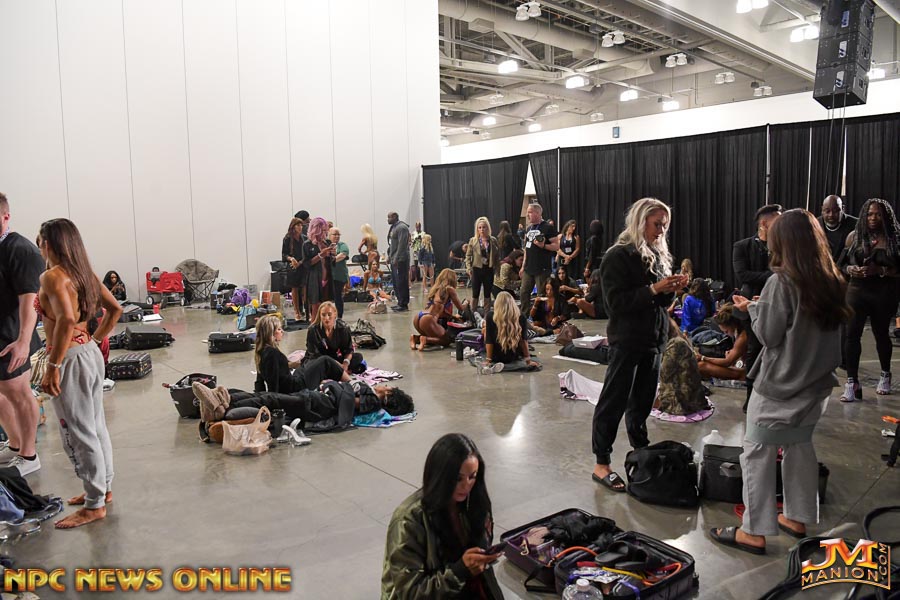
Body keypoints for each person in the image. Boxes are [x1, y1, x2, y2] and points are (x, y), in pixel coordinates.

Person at [710, 209, 850, 555]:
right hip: (816, 386)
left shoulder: (782, 282)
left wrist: (752, 310)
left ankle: (753, 531)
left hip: (780, 387)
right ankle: (796, 517)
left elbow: (770, 336)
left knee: (757, 453)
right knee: (799, 448)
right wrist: (761, 306)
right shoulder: (832, 280)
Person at [591, 198, 686, 492]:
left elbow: (660, 302)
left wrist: (671, 289)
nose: (661, 231)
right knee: (614, 400)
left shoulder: (656, 255)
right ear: (640, 221)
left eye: (665, 226)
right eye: (657, 224)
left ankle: (640, 450)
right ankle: (601, 463)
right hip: (627, 339)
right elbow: (615, 305)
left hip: (653, 339)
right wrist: (654, 289)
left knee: (642, 401)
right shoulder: (617, 256)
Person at [36, 218, 124, 529]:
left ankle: (94, 504)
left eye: (40, 240)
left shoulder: (52, 276)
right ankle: (102, 489)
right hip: (88, 353)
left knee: (78, 431)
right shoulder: (84, 273)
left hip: (70, 359)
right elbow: (115, 309)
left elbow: (65, 319)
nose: (38, 245)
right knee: (95, 426)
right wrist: (96, 340)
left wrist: (53, 366)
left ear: (49, 243)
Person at [382, 433, 503, 599]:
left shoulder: (474, 503)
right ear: (440, 476)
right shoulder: (409, 520)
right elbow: (410, 592)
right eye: (458, 479)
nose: (466, 486)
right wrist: (459, 572)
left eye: (472, 476)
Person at [0, 194, 45, 479]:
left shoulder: (20, 250)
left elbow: (30, 299)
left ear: (6, 216)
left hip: (12, 336)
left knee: (18, 393)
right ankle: (15, 443)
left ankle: (29, 455)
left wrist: (23, 341)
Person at [838, 198, 900, 402]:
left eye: (878, 214)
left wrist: (881, 270)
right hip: (857, 290)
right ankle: (852, 382)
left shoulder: (894, 239)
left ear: (886, 217)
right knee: (851, 335)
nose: (873, 218)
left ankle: (885, 374)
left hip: (883, 292)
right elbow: (840, 265)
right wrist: (851, 269)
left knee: (881, 334)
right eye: (870, 214)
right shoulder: (853, 237)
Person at [195, 379, 413, 432]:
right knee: (266, 396)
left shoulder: (373, 401)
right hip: (315, 399)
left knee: (271, 400)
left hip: (317, 405)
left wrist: (334, 385)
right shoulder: (370, 394)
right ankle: (223, 399)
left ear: (389, 394)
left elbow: (347, 400)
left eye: (388, 387)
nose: (384, 385)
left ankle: (222, 407)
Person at [253, 315, 350, 393]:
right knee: (325, 361)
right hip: (293, 388)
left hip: (290, 381)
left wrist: (259, 395)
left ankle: (321, 379)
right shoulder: (272, 353)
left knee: (305, 366)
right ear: (271, 333)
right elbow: (273, 384)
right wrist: (273, 403)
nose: (282, 331)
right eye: (279, 329)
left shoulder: (261, 351)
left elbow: (259, 381)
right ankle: (351, 383)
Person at [483, 292, 540, 373]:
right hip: (513, 355)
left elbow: (489, 340)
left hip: (495, 357)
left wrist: (488, 360)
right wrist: (528, 360)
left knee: (484, 331)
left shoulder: (490, 316)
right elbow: (523, 341)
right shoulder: (521, 316)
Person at [733, 204, 782, 299]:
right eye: (777, 222)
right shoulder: (742, 246)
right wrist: (774, 275)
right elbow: (742, 275)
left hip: (776, 298)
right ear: (764, 224)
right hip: (749, 299)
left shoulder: (783, 246)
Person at [412, 269, 468, 351]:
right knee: (446, 340)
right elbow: (461, 308)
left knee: (433, 337)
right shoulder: (449, 289)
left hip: (419, 317)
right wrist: (466, 303)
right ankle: (425, 340)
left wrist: (452, 316)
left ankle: (415, 338)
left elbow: (440, 310)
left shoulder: (435, 288)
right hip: (428, 319)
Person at [519, 203, 559, 315]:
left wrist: (544, 246)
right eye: (527, 212)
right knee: (524, 292)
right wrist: (523, 266)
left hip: (542, 268)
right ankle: (524, 315)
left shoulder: (548, 227)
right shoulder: (528, 228)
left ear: (538, 213)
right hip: (529, 267)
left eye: (530, 212)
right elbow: (526, 249)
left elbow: (556, 246)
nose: (527, 215)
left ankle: (540, 316)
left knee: (541, 294)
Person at [304, 301, 365, 375]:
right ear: (320, 315)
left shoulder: (343, 328)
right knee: (311, 366)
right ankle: (335, 371)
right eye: (323, 315)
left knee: (358, 357)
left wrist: (345, 364)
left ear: (335, 314)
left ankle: (334, 371)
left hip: (334, 357)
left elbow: (348, 350)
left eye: (329, 314)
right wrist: (337, 365)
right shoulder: (313, 330)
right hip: (318, 359)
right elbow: (314, 354)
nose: (326, 318)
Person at [697, 303, 749, 382]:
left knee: (701, 366)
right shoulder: (740, 333)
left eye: (726, 331)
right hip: (743, 367)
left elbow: (727, 362)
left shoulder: (743, 337)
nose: (726, 334)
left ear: (732, 325)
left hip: (745, 372)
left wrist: (703, 358)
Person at [303, 217, 335, 320]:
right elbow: (306, 264)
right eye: (323, 230)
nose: (325, 233)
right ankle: (314, 329)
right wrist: (320, 255)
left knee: (327, 309)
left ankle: (327, 328)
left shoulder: (327, 242)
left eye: (326, 230)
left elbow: (332, 263)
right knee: (315, 309)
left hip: (327, 279)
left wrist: (333, 255)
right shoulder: (307, 244)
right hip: (314, 279)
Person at [465, 217, 500, 312]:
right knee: (475, 293)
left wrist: (498, 271)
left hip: (488, 270)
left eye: (484, 227)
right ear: (477, 229)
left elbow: (497, 257)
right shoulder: (473, 240)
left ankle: (486, 314)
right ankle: (473, 313)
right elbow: (468, 256)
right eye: (479, 227)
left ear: (488, 228)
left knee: (487, 293)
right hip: (476, 270)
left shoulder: (493, 240)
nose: (482, 230)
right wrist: (468, 268)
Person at [818, 195, 858, 263]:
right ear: (822, 210)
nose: (831, 215)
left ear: (843, 209)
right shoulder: (815, 224)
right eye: (827, 211)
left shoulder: (855, 224)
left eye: (835, 211)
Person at [282, 217, 307, 321]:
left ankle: (306, 310)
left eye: (301, 225)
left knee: (305, 288)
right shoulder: (287, 238)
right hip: (292, 266)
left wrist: (300, 263)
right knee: (295, 289)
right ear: (293, 227)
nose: (300, 227)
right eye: (298, 225)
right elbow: (284, 255)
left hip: (303, 265)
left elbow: (306, 254)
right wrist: (291, 259)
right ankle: (296, 311)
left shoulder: (304, 238)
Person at [387, 212, 411, 313]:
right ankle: (399, 302)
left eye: (389, 217)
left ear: (395, 217)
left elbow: (402, 245)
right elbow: (393, 245)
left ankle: (404, 304)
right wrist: (390, 256)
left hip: (401, 260)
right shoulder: (394, 227)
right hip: (394, 259)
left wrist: (396, 258)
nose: (388, 219)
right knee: (396, 282)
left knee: (402, 282)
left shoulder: (402, 228)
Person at [329, 227, 350, 319]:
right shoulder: (326, 245)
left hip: (339, 276)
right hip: (328, 276)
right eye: (335, 234)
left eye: (338, 234)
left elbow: (342, 256)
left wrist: (329, 261)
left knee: (337, 296)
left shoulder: (342, 245)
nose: (337, 236)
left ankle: (339, 317)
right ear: (329, 235)